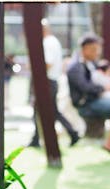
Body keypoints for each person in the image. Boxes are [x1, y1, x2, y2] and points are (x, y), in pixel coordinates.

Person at [67, 33, 110, 159]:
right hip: (86, 104)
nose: (97, 53)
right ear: (84, 49)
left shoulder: (92, 64)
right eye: (93, 50)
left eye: (98, 50)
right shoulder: (75, 67)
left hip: (96, 99)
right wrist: (103, 88)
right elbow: (85, 87)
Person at [28, 19, 80, 148]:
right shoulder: (52, 41)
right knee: (53, 111)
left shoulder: (48, 42)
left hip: (47, 81)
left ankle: (37, 138)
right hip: (50, 81)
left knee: (40, 110)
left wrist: (34, 69)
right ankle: (72, 133)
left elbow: (47, 63)